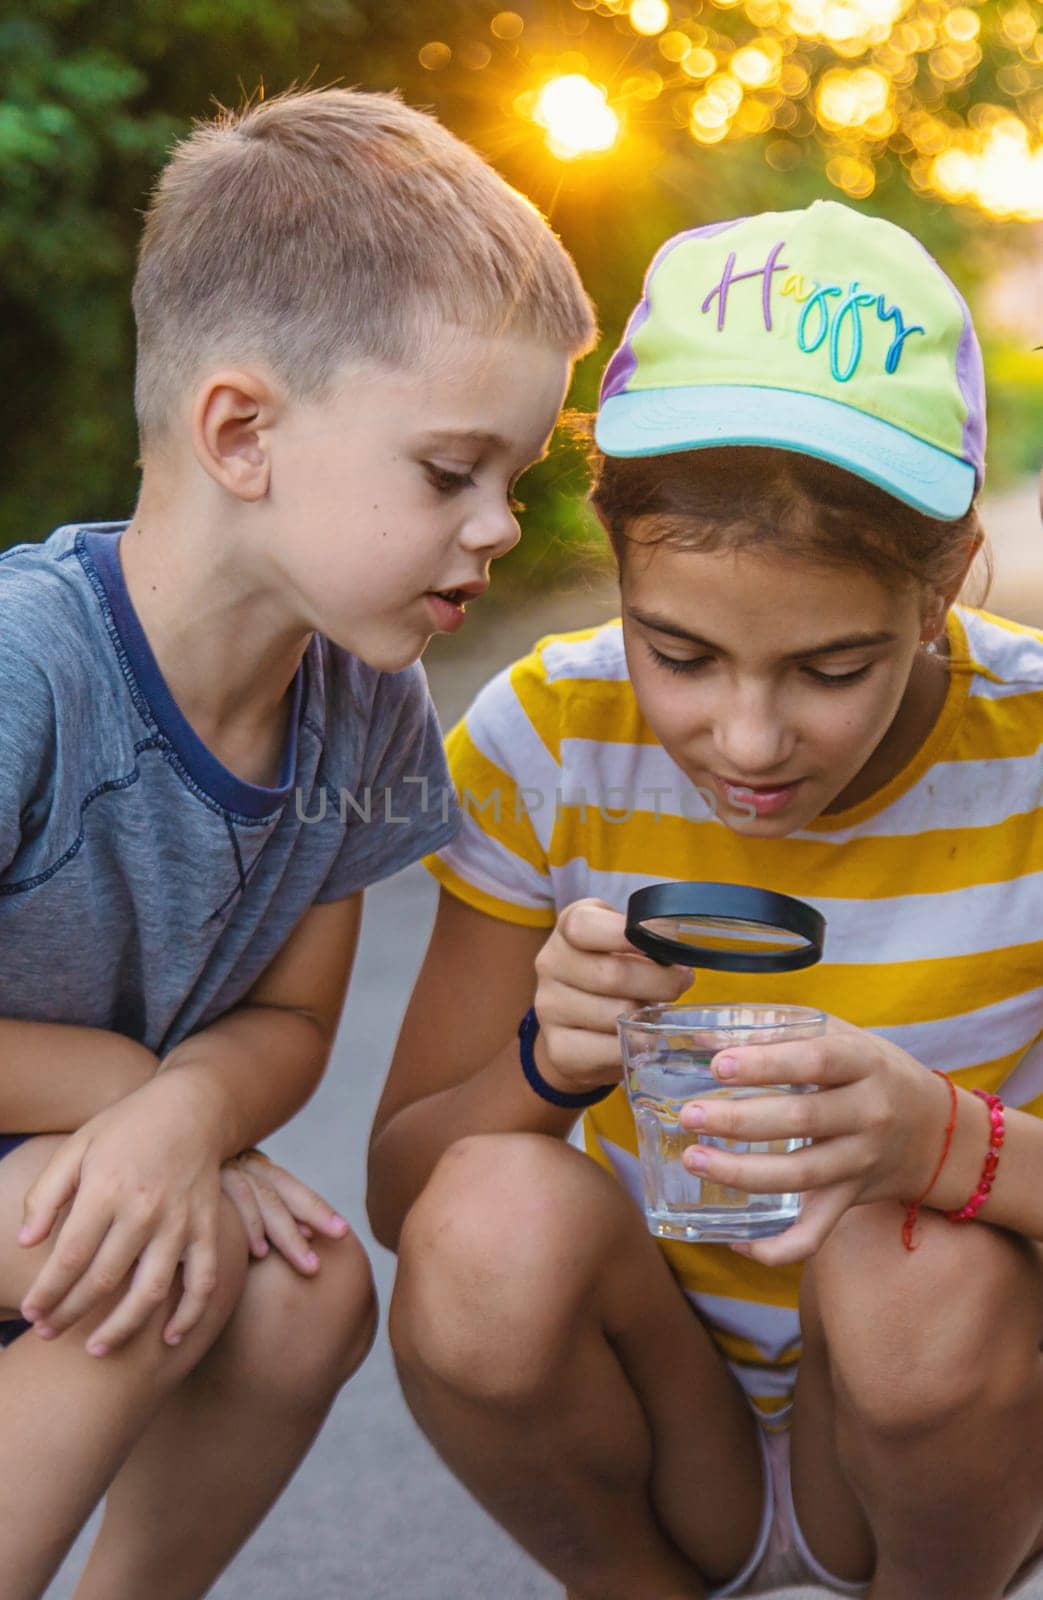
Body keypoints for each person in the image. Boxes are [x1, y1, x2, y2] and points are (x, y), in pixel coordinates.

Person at [370, 199, 1043, 1600]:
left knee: (919, 1269)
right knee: (487, 1222)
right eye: (677, 652)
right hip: (674, 1423)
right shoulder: (549, 733)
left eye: (831, 668)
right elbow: (405, 1192)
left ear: (946, 585)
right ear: (611, 562)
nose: (747, 743)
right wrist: (547, 1063)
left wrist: (942, 1143)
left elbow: (950, 1212)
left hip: (947, 1422)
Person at [0, 87, 594, 1598]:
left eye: (512, 484)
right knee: (166, 1245)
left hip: (71, 1158)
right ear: (242, 432)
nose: (501, 528)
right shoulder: (27, 670)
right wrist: (144, 1105)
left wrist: (185, 1116)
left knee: (302, 1288)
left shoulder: (366, 705)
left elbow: (293, 1020)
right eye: (450, 472)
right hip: (66, 1142)